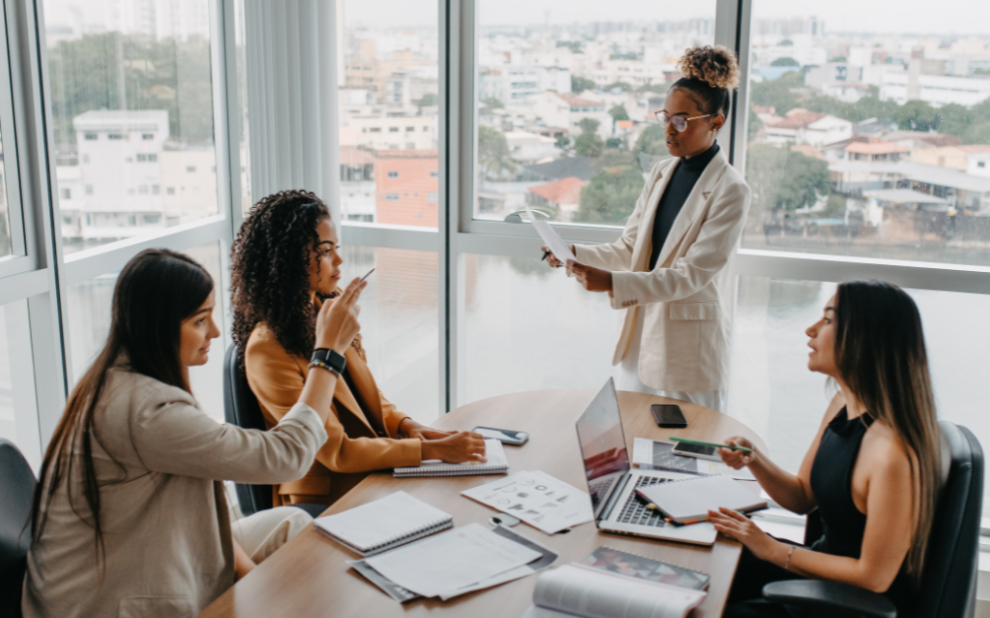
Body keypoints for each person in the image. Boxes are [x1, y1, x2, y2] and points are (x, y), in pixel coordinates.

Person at [23, 248, 366, 617]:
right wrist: (327, 355)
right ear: (160, 326)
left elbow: (203, 505)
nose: (215, 332)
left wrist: (254, 581)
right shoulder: (145, 412)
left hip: (145, 550)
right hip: (102, 600)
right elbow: (287, 456)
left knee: (293, 522)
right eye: (201, 320)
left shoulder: (126, 378)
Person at [231, 189, 485, 507]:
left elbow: (366, 397)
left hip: (366, 473)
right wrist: (431, 451)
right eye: (324, 251)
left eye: (336, 247)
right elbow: (337, 453)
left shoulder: (326, 305)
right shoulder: (267, 350)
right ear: (287, 261)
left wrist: (408, 426)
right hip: (322, 500)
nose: (338, 260)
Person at [709, 281, 942, 618]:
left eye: (828, 320)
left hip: (847, 605)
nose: (811, 329)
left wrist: (772, 550)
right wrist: (754, 460)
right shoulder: (842, 404)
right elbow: (802, 496)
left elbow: (874, 578)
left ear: (864, 338)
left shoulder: (892, 453)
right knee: (703, 562)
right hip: (819, 574)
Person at [544, 44, 751, 412]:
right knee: (633, 442)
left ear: (715, 122)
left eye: (682, 120)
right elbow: (629, 248)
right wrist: (574, 253)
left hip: (689, 352)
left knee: (689, 457)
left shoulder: (731, 189)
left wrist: (610, 282)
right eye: (665, 117)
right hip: (640, 339)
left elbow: (690, 276)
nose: (669, 130)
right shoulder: (661, 171)